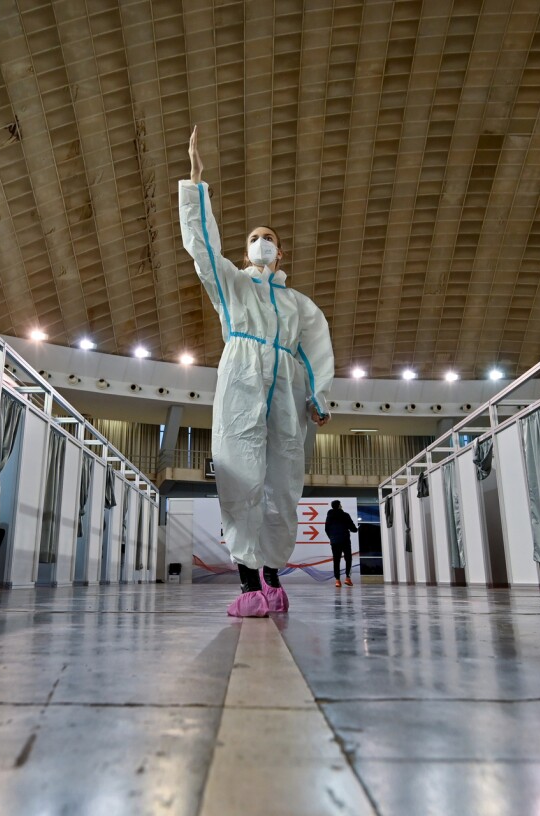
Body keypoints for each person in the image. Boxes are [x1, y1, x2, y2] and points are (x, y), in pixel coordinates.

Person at [179, 126, 334, 617]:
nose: (262, 243)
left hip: (286, 386)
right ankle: (248, 583)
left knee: (283, 482)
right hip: (242, 377)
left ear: (281, 252)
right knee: (240, 473)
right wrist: (196, 185)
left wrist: (319, 397)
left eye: (270, 238)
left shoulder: (299, 305)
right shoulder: (234, 287)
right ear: (245, 252)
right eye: (255, 238)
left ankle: (272, 576)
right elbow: (202, 250)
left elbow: (317, 352)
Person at [325, 500, 358, 588]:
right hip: (345, 540)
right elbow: (353, 528)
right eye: (340, 504)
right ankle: (347, 578)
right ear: (339, 506)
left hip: (334, 541)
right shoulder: (345, 515)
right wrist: (355, 529)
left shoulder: (329, 516)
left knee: (336, 560)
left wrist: (332, 538)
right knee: (348, 558)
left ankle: (337, 581)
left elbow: (326, 529)